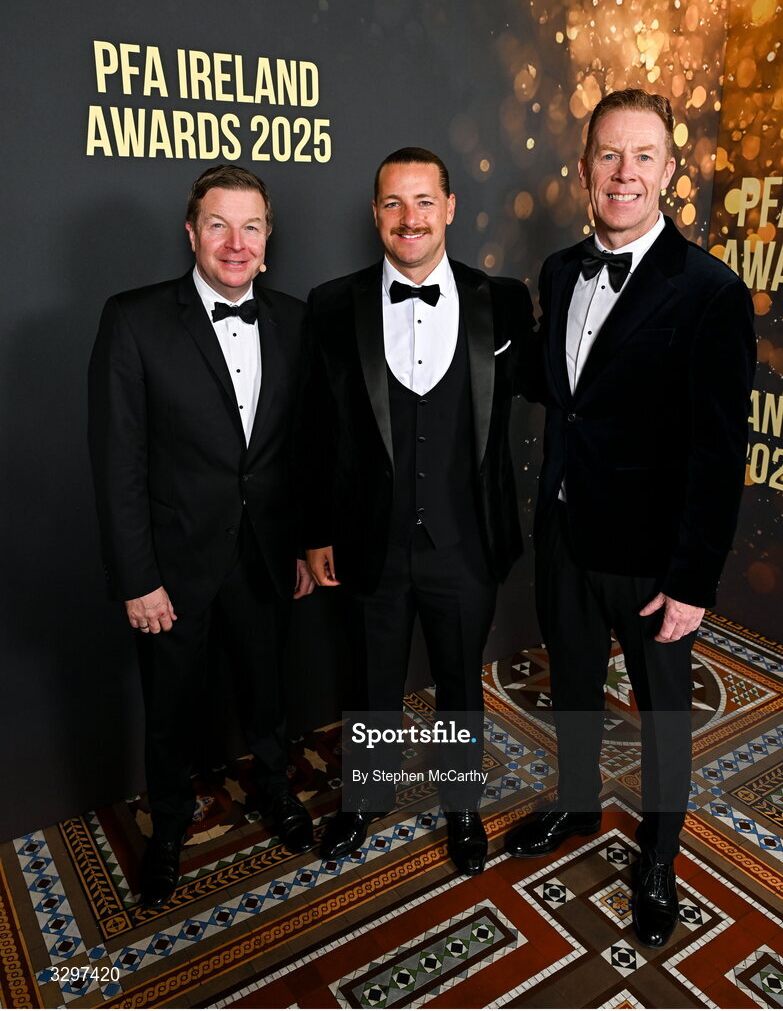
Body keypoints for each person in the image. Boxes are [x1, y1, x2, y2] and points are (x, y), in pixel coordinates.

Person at [505, 90, 756, 947]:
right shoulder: (560, 270)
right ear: (583, 170)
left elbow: (720, 454)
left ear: (668, 172)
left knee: (662, 717)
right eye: (608, 155)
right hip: (567, 538)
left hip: (654, 560)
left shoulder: (709, 291)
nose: (623, 174)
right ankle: (575, 805)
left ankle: (657, 860)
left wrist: (692, 580)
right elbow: (560, 392)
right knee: (573, 691)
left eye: (642, 156)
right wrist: (500, 343)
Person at [301, 147, 536, 876]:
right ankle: (365, 801)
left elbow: (552, 389)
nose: (410, 219)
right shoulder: (331, 304)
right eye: (394, 204)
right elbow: (311, 429)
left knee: (462, 683)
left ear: (450, 208)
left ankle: (461, 806)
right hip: (370, 541)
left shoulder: (501, 299)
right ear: (375, 214)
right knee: (371, 684)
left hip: (464, 540)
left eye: (424, 202)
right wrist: (312, 534)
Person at [88, 164, 315, 909]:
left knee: (268, 695)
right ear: (191, 233)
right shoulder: (134, 319)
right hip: (173, 567)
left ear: (267, 237)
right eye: (218, 224)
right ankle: (168, 831)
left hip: (263, 557)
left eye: (251, 226)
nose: (235, 242)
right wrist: (136, 577)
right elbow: (118, 462)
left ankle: (279, 792)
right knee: (170, 713)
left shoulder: (293, 318)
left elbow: (300, 450)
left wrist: (307, 543)